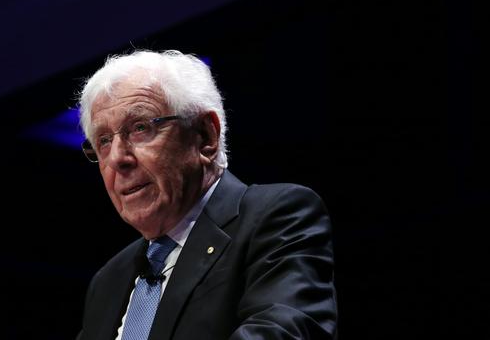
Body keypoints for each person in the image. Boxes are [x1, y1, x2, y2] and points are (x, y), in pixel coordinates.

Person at [75, 49, 337, 340]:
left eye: (140, 128)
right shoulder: (109, 280)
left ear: (205, 136)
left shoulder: (276, 217)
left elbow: (283, 333)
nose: (116, 159)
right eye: (104, 141)